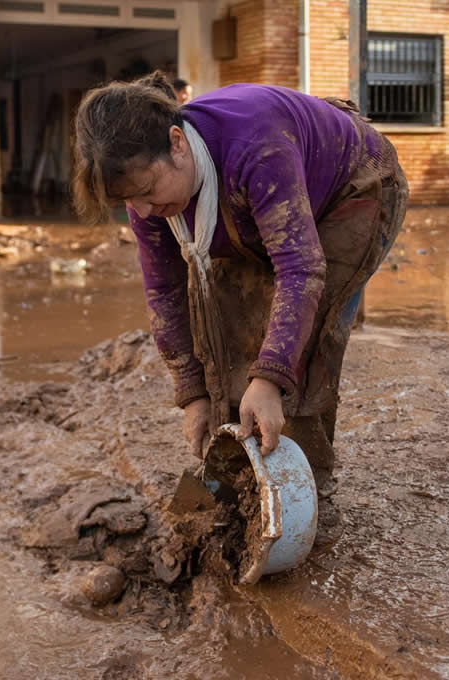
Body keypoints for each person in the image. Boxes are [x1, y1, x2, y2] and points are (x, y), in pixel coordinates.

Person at [72, 72, 407, 494]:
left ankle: (297, 489)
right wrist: (192, 393)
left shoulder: (256, 148)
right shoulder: (147, 200)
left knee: (303, 339)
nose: (141, 209)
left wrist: (269, 380)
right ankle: (236, 475)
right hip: (249, 196)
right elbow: (165, 293)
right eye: (127, 201)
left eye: (147, 190)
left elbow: (301, 270)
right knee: (227, 321)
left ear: (177, 143)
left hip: (353, 186)